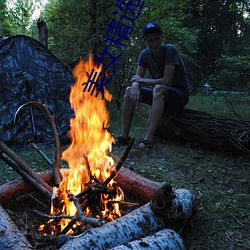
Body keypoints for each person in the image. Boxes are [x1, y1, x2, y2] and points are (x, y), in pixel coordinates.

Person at [115, 22, 191, 148]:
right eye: (150, 40)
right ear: (145, 41)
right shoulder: (144, 54)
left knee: (159, 88)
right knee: (129, 91)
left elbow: (167, 81)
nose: (154, 43)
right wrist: (134, 85)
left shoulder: (170, 50)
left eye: (157, 39)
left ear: (161, 37)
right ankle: (124, 136)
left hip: (179, 95)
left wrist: (140, 81)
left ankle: (149, 138)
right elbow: (136, 78)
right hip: (160, 95)